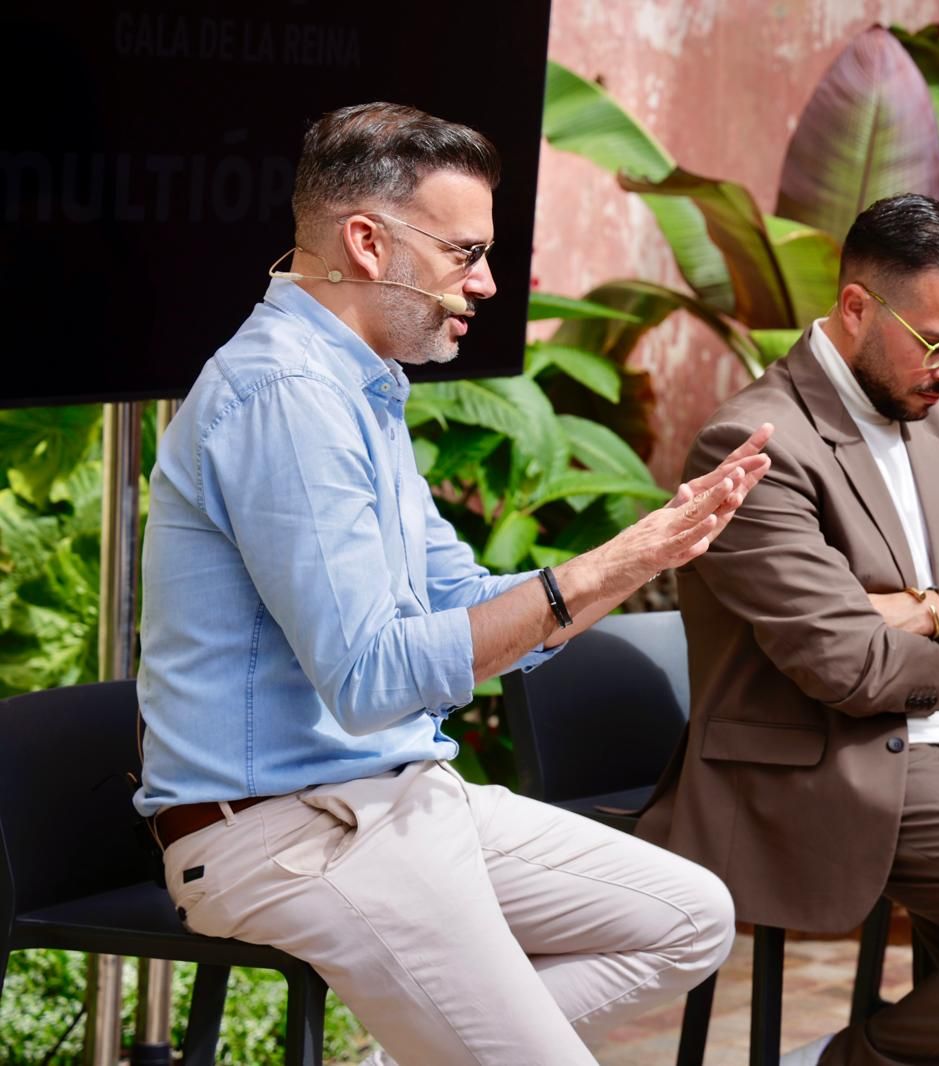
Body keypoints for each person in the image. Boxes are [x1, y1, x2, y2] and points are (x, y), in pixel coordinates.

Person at [134, 102, 774, 1065]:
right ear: (366, 243)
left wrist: (652, 555)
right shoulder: (287, 397)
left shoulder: (362, 385)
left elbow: (463, 600)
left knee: (689, 918)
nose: (486, 282)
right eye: (463, 252)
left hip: (397, 798)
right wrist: (602, 566)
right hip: (278, 833)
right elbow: (372, 681)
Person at [638, 193, 939, 1066]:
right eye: (937, 343)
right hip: (836, 762)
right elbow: (850, 668)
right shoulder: (754, 444)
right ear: (857, 307)